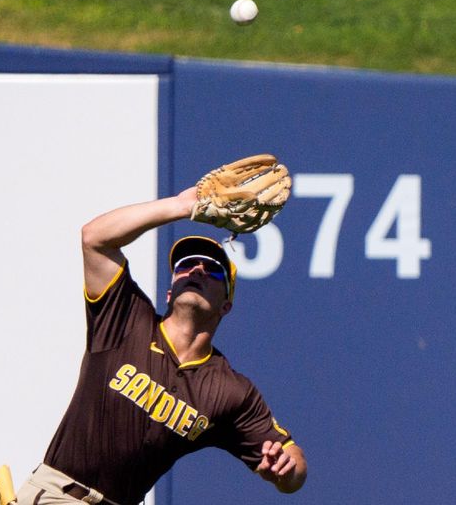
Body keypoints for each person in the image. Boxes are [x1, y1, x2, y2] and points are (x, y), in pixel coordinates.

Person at [16, 185, 307, 505]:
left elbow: (293, 467)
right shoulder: (125, 320)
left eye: (212, 269)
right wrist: (182, 206)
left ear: (226, 304)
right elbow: (94, 238)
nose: (196, 269)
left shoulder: (229, 391)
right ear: (169, 292)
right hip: (60, 495)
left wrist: (287, 469)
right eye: (185, 266)